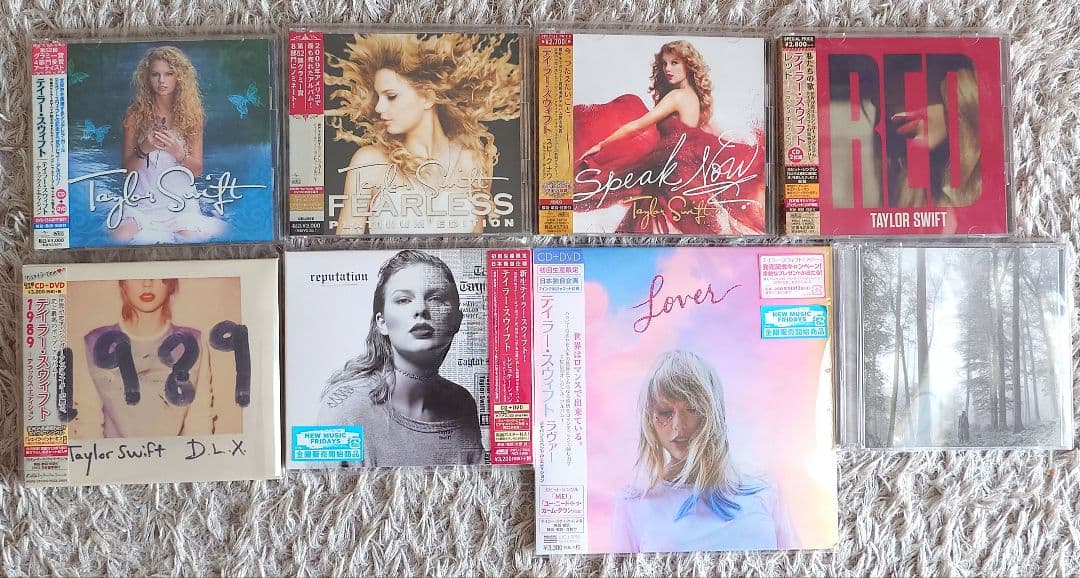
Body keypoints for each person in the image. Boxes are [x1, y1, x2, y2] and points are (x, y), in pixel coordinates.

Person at [325, 33, 521, 235]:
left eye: (391, 96)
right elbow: (345, 247)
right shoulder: (369, 163)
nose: (379, 107)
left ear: (427, 97)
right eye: (378, 97)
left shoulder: (472, 162)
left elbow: (475, 247)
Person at [574, 40, 765, 234]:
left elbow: (637, 125)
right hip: (685, 170)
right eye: (664, 63)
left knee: (649, 223)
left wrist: (602, 144)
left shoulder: (677, 97)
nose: (667, 69)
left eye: (674, 63)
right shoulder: (696, 99)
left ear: (688, 65)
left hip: (672, 170)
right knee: (680, 223)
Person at [612, 351, 794, 553]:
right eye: (665, 412)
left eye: (692, 408)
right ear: (650, 418)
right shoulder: (633, 503)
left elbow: (798, 565)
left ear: (713, 411)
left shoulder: (765, 489)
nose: (678, 425)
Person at [317, 250, 484, 466]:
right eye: (404, 300)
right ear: (382, 322)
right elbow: (310, 485)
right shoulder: (344, 408)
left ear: (457, 320)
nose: (421, 309)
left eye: (436, 298)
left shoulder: (463, 404)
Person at [72, 279, 215, 439]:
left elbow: (199, 423)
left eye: (157, 274)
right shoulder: (94, 343)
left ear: (170, 282)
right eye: (136, 274)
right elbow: (88, 426)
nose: (147, 283)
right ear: (122, 282)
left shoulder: (193, 343)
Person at [118, 46, 224, 243]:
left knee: (190, 241)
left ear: (179, 77)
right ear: (146, 78)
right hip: (142, 203)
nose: (162, 81)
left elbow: (197, 171)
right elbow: (126, 171)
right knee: (120, 238)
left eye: (168, 74)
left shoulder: (192, 116)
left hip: (180, 205)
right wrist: (144, 149)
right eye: (155, 74)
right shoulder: (134, 115)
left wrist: (178, 152)